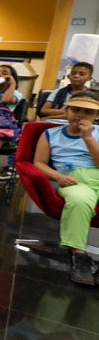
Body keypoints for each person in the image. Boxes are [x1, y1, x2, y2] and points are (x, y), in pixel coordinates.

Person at [31, 92, 99, 284]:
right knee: (79, 200)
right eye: (76, 109)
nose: (80, 115)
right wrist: (57, 176)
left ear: (96, 116)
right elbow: (39, 162)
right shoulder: (50, 134)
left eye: (88, 112)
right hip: (73, 178)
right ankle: (79, 256)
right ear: (66, 111)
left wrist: (88, 138)